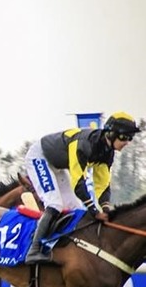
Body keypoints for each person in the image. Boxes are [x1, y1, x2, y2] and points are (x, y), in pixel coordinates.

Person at [24, 111, 139, 264]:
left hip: (58, 164)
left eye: (130, 138)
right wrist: (94, 211)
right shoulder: (84, 144)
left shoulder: (107, 152)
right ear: (110, 134)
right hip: (40, 157)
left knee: (76, 207)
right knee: (55, 204)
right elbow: (78, 183)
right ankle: (34, 250)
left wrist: (106, 209)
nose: (127, 142)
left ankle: (61, 245)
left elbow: (102, 185)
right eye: (124, 137)